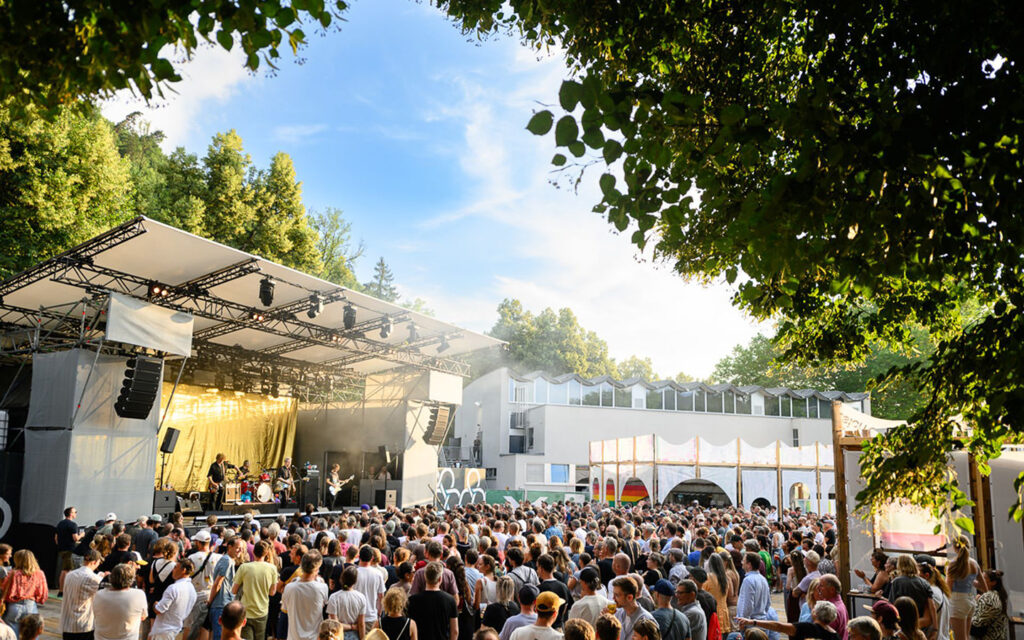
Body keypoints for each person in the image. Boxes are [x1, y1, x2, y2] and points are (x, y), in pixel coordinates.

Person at [232, 540, 279, 640]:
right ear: (266, 553)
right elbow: (272, 592)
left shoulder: (244, 567)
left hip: (245, 612)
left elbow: (234, 590)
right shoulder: (272, 568)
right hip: (262, 612)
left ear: (253, 552)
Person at [282, 551, 330, 640]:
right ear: (317, 569)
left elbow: (285, 609)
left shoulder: (289, 588)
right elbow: (323, 606)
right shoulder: (322, 587)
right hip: (314, 637)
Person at [93, 564, 148, 640]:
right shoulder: (139, 594)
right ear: (131, 580)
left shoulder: (99, 594)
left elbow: (95, 614)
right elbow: (143, 617)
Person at [1, 550, 49, 637]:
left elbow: (4, 589)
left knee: (11, 635)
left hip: (13, 607)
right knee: (32, 635)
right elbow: (43, 592)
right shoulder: (39, 573)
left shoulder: (13, 573)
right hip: (31, 606)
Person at [408, 562, 459, 640]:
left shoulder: (412, 600)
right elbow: (455, 631)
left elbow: (409, 628)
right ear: (440, 579)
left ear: (425, 577)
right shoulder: (450, 600)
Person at [60, 549, 104, 640]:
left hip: (67, 624)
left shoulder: (70, 575)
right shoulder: (93, 578)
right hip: (83, 625)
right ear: (95, 562)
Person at [738, 601, 840, 640]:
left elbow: (779, 626)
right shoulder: (834, 635)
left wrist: (753, 622)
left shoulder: (806, 628)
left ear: (815, 614)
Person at [152, 559, 199, 640]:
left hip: (163, 631)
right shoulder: (192, 590)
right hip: (174, 630)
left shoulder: (173, 588)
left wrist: (155, 604)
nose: (173, 570)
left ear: (183, 570)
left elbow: (159, 610)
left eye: (175, 567)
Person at [186, 530, 221, 640]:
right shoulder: (218, 558)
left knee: (190, 625)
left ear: (198, 542)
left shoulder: (191, 557)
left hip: (194, 595)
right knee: (207, 627)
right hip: (211, 595)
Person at [736, 553, 780, 640]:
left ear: (749, 564)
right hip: (762, 622)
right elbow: (768, 603)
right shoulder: (762, 579)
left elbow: (747, 605)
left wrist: (743, 622)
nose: (742, 563)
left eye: (744, 561)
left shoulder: (748, 580)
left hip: (751, 625)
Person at [210, 537, 246, 640]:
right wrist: (210, 601)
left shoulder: (228, 560)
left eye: (242, 548)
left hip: (221, 603)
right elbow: (218, 583)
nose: (240, 550)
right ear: (229, 547)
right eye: (238, 548)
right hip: (220, 604)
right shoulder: (227, 561)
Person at [889, 556, 936, 633]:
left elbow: (891, 605)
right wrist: (935, 628)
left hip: (901, 625)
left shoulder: (897, 582)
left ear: (900, 566)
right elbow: (932, 606)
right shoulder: (924, 582)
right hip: (919, 625)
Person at [946, 538, 981, 640]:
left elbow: (948, 587)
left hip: (957, 601)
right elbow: (982, 585)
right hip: (970, 599)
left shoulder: (953, 564)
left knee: (960, 638)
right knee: (966, 637)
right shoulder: (974, 563)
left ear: (953, 547)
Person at [327, 566, 368, 640]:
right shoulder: (361, 597)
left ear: (341, 579)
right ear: (355, 581)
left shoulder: (334, 597)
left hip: (338, 636)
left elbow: (335, 624)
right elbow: (361, 624)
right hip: (354, 635)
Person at [967, 570, 1007, 640]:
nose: (979, 580)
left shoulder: (989, 598)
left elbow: (977, 628)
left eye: (983, 578)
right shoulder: (997, 595)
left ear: (993, 583)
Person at [613, 576, 655, 640]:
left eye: (617, 595)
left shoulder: (647, 620)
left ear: (629, 597)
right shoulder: (617, 615)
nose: (613, 598)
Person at [537, 554, 572, 629]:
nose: (537, 570)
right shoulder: (563, 586)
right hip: (559, 626)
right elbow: (567, 606)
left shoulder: (539, 589)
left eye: (537, 567)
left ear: (541, 568)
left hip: (544, 628)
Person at [355, 545, 387, 625]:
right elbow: (381, 596)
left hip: (355, 616)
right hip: (372, 616)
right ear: (372, 558)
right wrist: (379, 613)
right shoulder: (378, 574)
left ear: (359, 557)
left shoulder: (354, 573)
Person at [56, 506, 82, 594]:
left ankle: (62, 590)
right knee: (66, 570)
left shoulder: (60, 523)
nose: (76, 514)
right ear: (71, 514)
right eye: (75, 512)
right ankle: (62, 591)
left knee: (66, 569)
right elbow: (75, 538)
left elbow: (56, 538)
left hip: (61, 549)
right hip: (69, 550)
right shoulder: (73, 525)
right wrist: (82, 535)